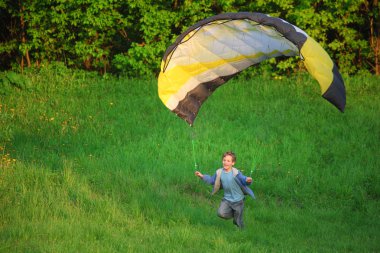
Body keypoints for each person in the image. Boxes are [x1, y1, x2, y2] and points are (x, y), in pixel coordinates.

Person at [195, 151, 255, 229]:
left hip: (238, 200)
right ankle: (234, 214)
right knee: (221, 213)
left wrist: (247, 180)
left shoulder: (236, 173)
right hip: (227, 199)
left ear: (233, 163)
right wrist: (202, 176)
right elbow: (212, 180)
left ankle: (241, 231)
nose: (225, 162)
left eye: (228, 161)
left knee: (238, 221)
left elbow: (243, 179)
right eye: (224, 160)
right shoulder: (219, 172)